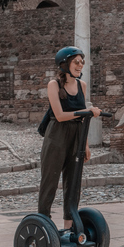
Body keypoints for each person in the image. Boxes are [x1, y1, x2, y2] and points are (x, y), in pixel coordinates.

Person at [38, 46, 102, 231]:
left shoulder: (82, 85)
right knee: (50, 181)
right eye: (76, 61)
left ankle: (68, 228)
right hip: (56, 134)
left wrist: (86, 145)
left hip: (77, 135)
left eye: (82, 62)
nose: (80, 65)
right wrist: (87, 111)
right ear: (65, 63)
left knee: (73, 183)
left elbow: (83, 119)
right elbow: (59, 115)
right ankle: (43, 224)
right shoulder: (54, 85)